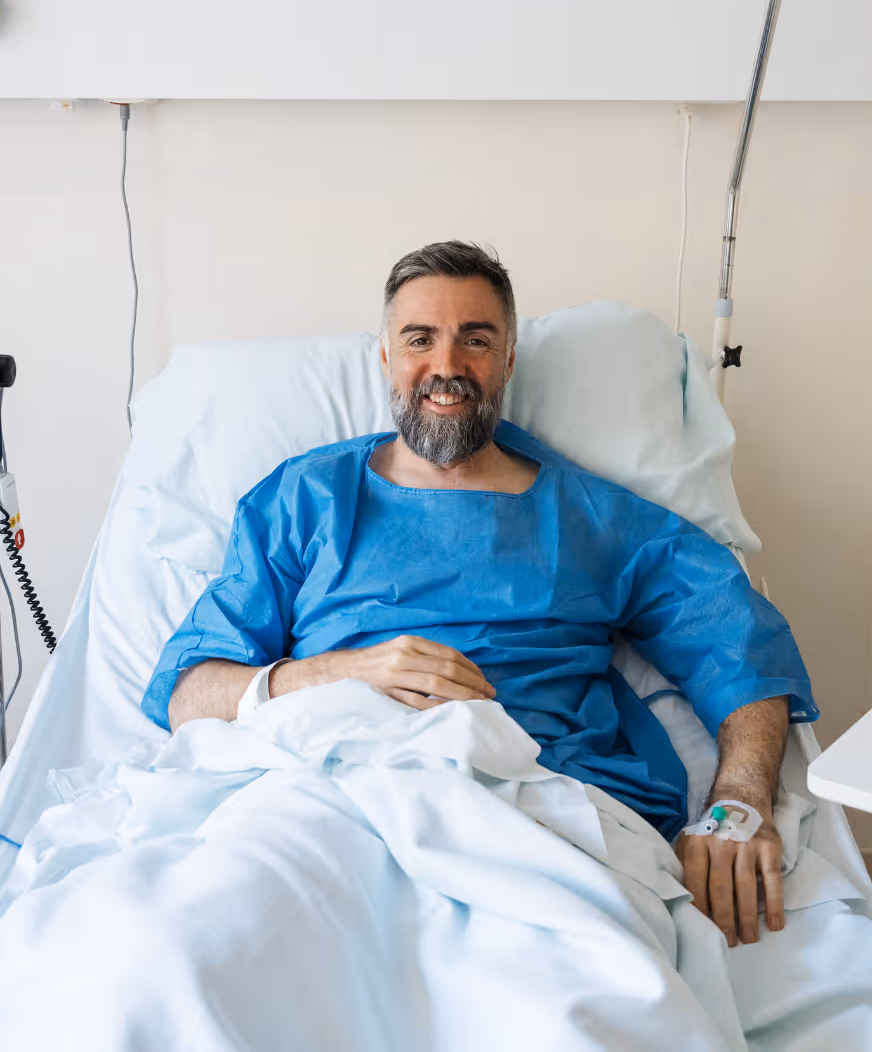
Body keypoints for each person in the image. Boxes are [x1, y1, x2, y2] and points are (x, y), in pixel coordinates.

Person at [143, 240, 817, 949]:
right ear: (385, 359)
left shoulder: (595, 518)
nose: (447, 366)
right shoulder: (306, 499)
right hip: (329, 796)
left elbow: (737, 644)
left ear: (508, 360)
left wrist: (738, 804)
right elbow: (191, 698)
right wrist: (345, 671)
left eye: (476, 340)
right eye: (419, 340)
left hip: (534, 809)